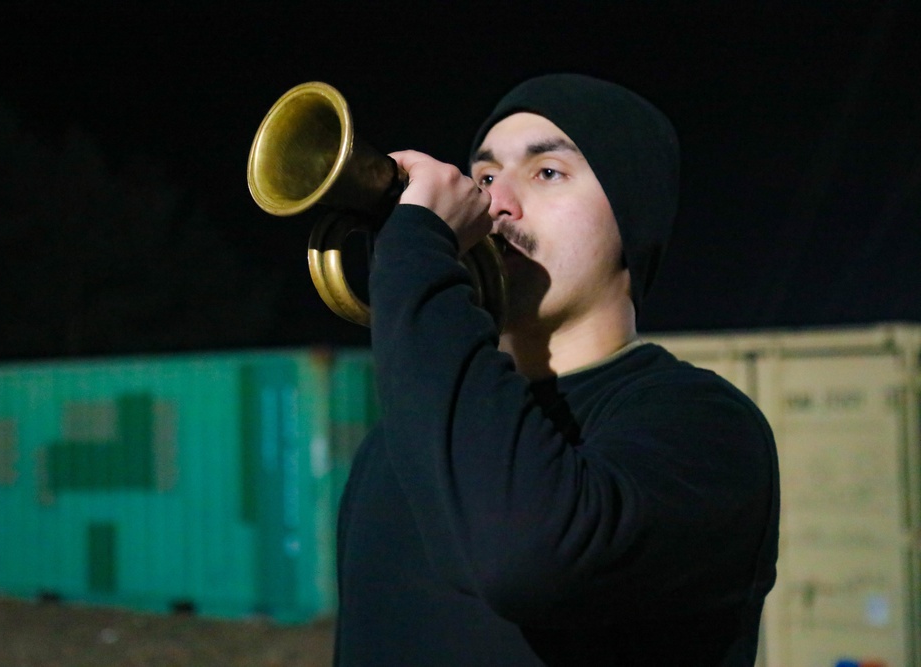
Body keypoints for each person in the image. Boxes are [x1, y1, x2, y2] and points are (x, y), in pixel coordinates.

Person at [333, 73, 779, 666]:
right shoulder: (394, 444)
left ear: (631, 217)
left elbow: (522, 557)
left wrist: (415, 254)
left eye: (547, 172)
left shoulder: (707, 428)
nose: (496, 203)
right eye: (484, 177)